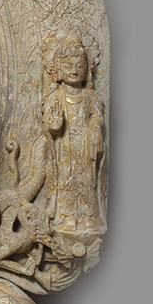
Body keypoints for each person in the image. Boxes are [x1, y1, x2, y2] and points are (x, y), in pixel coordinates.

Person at [43, 35, 104, 232]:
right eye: (68, 66)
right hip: (64, 148)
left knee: (86, 181)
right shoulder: (56, 96)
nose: (74, 70)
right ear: (59, 69)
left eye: (79, 66)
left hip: (85, 147)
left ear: (87, 70)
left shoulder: (90, 95)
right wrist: (54, 126)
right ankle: (66, 215)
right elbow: (48, 123)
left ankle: (87, 215)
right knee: (65, 181)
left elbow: (96, 116)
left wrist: (95, 129)